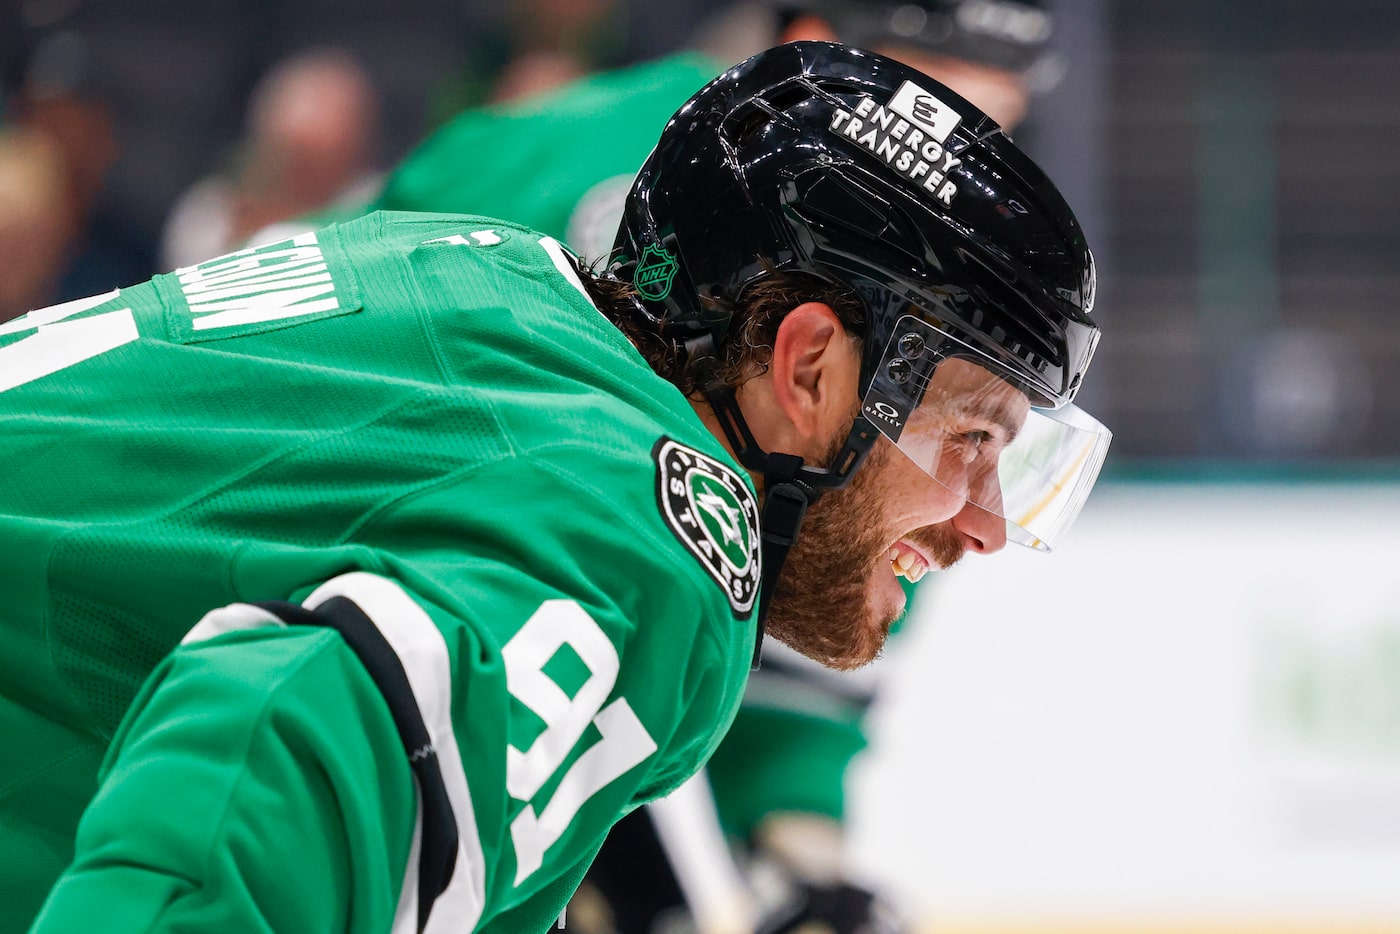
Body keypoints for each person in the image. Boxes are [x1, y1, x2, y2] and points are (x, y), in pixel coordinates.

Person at [0, 40, 1108, 934]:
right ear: (808, 367)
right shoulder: (656, 524)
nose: (985, 522)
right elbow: (275, 743)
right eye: (971, 435)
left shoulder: (480, 269)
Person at [367, 2, 1059, 927]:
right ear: (818, 47)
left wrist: (796, 843)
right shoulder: (576, 172)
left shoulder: (908, 311)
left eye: (998, 134)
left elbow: (814, 595)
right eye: (939, 119)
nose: (974, 189)